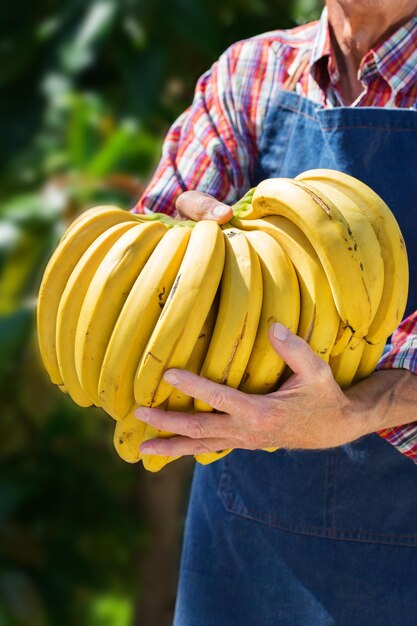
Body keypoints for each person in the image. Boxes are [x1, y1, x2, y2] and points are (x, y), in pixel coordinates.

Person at [133, 1, 417, 623]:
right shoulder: (250, 72)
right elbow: (140, 273)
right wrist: (178, 243)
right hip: (242, 555)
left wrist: (361, 406)